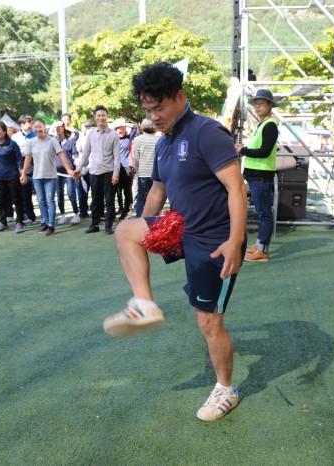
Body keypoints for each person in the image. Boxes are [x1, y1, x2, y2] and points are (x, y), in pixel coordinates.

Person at [102, 62, 247, 422]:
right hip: (183, 229)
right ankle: (144, 305)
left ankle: (226, 390)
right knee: (125, 231)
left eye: (159, 107)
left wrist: (235, 240)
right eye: (147, 110)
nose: (153, 117)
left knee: (208, 322)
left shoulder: (207, 133)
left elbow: (236, 188)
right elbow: (158, 190)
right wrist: (144, 229)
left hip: (215, 241)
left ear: (181, 97)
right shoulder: (164, 143)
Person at [235, 89, 279, 262]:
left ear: (270, 105)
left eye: (261, 103)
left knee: (264, 214)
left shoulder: (270, 125)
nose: (257, 106)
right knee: (262, 213)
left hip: (261, 176)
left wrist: (243, 150)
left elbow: (264, 151)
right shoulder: (262, 125)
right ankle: (260, 245)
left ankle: (263, 250)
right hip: (256, 175)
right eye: (256, 104)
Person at [21, 119, 74, 236]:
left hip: (50, 176)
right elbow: (28, 158)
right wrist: (23, 173)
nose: (38, 129)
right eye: (35, 127)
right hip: (37, 176)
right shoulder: (30, 142)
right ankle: (44, 222)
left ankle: (51, 225)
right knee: (41, 201)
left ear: (44, 127)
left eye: (40, 126)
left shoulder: (52, 140)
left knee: (50, 200)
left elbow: (61, 154)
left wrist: (69, 170)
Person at [73, 106, 121, 235]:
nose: (101, 118)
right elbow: (86, 153)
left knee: (109, 200)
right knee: (95, 200)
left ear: (107, 117)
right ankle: (94, 224)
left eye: (103, 115)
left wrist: (116, 173)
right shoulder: (91, 133)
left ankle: (108, 225)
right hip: (94, 171)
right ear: (95, 117)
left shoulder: (113, 134)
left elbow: (117, 156)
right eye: (98, 115)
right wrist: (79, 169)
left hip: (109, 171)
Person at [50, 120, 81, 225]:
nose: (57, 129)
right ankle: (63, 215)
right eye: (56, 127)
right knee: (59, 195)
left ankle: (76, 214)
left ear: (63, 128)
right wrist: (53, 126)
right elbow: (48, 135)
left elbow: (77, 134)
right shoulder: (54, 141)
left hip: (69, 172)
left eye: (59, 127)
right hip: (57, 172)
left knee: (71, 193)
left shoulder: (70, 140)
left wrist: (76, 159)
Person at [12, 115, 36, 225]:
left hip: (35, 164)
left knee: (39, 194)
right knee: (24, 193)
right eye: (29, 123)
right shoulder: (15, 137)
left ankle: (43, 217)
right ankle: (27, 216)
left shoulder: (35, 135)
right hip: (21, 166)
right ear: (22, 124)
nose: (31, 125)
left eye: (31, 122)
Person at [132, 118, 159, 217]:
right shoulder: (159, 140)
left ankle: (139, 218)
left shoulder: (138, 139)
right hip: (155, 173)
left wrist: (137, 170)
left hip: (142, 172)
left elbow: (136, 157)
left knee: (141, 197)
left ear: (142, 127)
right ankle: (153, 217)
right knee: (154, 197)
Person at [112, 118, 137, 221]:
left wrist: (123, 123)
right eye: (118, 128)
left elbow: (135, 127)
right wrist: (115, 126)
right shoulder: (113, 138)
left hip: (126, 167)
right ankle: (119, 208)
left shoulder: (128, 138)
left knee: (127, 190)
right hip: (115, 167)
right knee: (116, 190)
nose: (120, 130)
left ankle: (126, 211)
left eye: (122, 128)